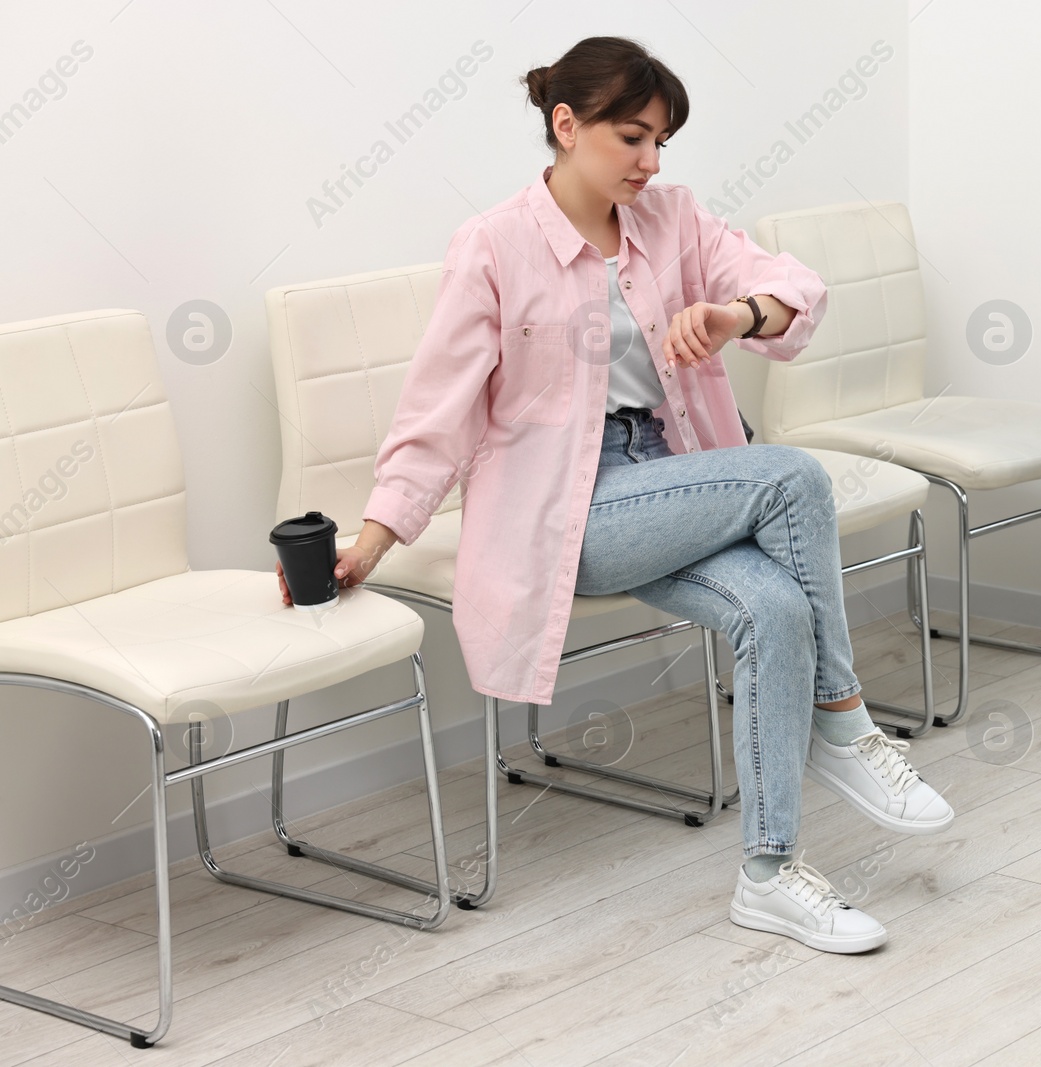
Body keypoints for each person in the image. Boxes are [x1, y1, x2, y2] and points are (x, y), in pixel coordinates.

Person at [276, 35, 952, 954]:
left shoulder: (672, 218)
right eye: (632, 137)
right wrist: (370, 542)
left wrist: (733, 317)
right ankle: (846, 722)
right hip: (568, 512)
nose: (651, 161)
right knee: (792, 473)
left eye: (662, 141)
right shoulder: (494, 246)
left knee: (776, 607)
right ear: (566, 125)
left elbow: (797, 287)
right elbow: (436, 411)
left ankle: (769, 875)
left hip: (674, 478)